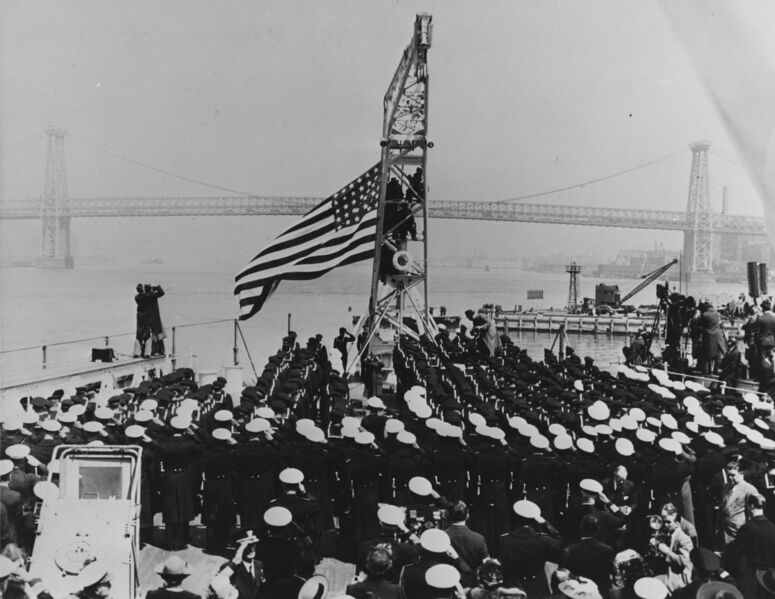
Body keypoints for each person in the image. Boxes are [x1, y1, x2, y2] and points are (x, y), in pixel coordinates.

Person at [722, 494, 775, 598]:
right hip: (769, 579)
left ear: (750, 506)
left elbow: (733, 552)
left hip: (753, 578)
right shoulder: (772, 528)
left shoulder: (748, 528)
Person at [559, 515, 615, 596]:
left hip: (578, 594)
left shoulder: (570, 550)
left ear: (581, 528)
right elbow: (612, 573)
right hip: (600, 593)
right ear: (597, 530)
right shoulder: (608, 550)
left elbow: (565, 577)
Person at [718, 459, 760, 547]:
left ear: (741, 473)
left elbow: (752, 514)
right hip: (725, 530)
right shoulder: (725, 487)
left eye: (733, 475)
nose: (730, 478)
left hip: (739, 532)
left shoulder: (749, 489)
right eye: (728, 475)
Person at [650, 510, 693, 593]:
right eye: (665, 522)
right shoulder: (670, 533)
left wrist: (666, 551)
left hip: (678, 576)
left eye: (669, 522)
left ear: (677, 524)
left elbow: (683, 561)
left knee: (652, 583)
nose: (665, 525)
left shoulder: (684, 539)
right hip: (668, 569)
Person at [146, 284, 166, 356]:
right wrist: (157, 287)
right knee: (158, 335)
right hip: (155, 317)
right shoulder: (153, 296)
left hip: (148, 318)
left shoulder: (145, 296)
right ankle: (161, 351)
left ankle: (154, 351)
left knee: (153, 335)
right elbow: (162, 293)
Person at [133, 283, 152, 358]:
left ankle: (136, 353)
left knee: (139, 335)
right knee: (147, 336)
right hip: (146, 318)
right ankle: (147, 353)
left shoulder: (136, 297)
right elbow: (150, 294)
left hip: (140, 318)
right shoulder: (147, 296)